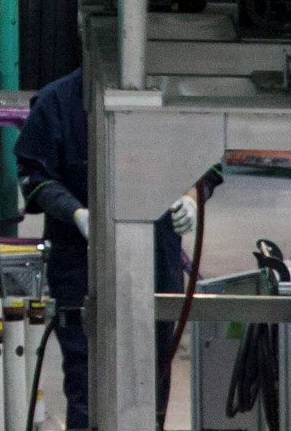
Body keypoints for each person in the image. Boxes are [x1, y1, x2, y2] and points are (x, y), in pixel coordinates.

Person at [17, 65, 193, 428]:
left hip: (156, 259)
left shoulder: (169, 98)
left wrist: (190, 196)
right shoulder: (56, 102)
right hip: (78, 262)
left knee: (152, 372)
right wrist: (76, 213)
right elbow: (34, 175)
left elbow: (202, 158)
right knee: (87, 378)